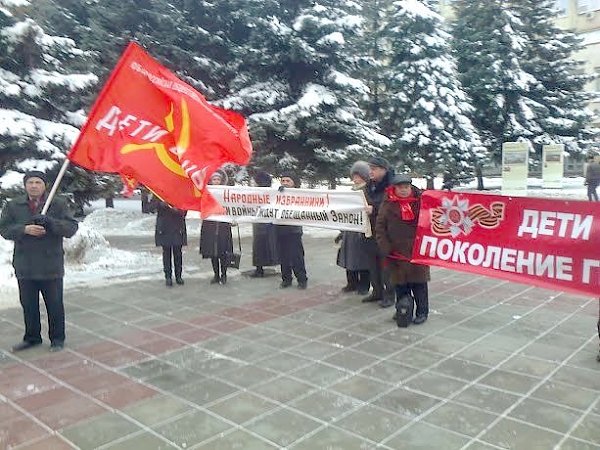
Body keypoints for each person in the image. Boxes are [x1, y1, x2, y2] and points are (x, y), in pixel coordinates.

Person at [0, 171, 78, 352]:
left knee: (55, 304)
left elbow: (71, 228)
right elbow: (4, 229)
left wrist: (50, 223)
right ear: (25, 185)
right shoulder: (13, 205)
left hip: (50, 264)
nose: (34, 185)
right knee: (28, 304)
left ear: (44, 186)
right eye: (30, 182)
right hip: (25, 263)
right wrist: (23, 229)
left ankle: (57, 338)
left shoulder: (57, 204)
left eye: (38, 182)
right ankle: (32, 337)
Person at [376, 173, 430, 326]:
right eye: (400, 187)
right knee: (400, 285)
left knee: (419, 285)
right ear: (395, 188)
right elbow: (380, 227)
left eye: (406, 187)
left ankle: (422, 312)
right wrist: (385, 247)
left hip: (417, 250)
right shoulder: (387, 204)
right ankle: (402, 309)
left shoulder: (421, 201)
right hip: (395, 253)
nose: (404, 190)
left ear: (411, 187)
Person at [363, 156, 396, 308]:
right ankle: (377, 291)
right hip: (370, 229)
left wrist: (374, 209)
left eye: (374, 169)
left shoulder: (392, 185)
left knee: (386, 264)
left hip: (386, 231)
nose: (370, 172)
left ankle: (390, 294)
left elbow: (391, 206)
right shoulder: (368, 185)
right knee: (372, 262)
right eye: (370, 168)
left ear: (384, 170)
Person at [336, 161, 371, 295]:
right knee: (349, 258)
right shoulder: (351, 192)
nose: (355, 178)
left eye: (359, 175)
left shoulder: (367, 191)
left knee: (362, 259)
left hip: (362, 230)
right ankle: (351, 282)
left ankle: (364, 285)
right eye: (354, 175)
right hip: (349, 230)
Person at [199, 170, 233, 285]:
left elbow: (232, 206)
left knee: (223, 252)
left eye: (218, 179)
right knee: (213, 253)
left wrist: (233, 218)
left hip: (223, 225)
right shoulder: (206, 191)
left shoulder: (226, 193)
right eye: (214, 179)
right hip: (210, 226)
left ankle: (224, 274)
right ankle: (216, 274)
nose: (216, 181)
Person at [275, 172, 308, 289]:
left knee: (296, 256)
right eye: (283, 181)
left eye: (287, 181)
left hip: (294, 230)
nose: (285, 183)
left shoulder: (299, 194)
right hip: (280, 229)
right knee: (283, 256)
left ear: (293, 182)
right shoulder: (277, 193)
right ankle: (286, 279)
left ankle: (302, 279)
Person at [152, 197, 187, 287]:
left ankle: (178, 276)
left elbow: (185, 210)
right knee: (166, 253)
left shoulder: (180, 193)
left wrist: (178, 210)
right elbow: (151, 207)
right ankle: (168, 277)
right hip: (165, 227)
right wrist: (161, 204)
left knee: (178, 253)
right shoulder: (158, 192)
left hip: (177, 227)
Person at [249, 171, 279, 278]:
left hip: (263, 222)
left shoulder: (271, 193)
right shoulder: (261, 192)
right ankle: (260, 267)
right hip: (265, 222)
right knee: (268, 245)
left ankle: (259, 269)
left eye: (255, 181)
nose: (253, 183)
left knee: (260, 246)